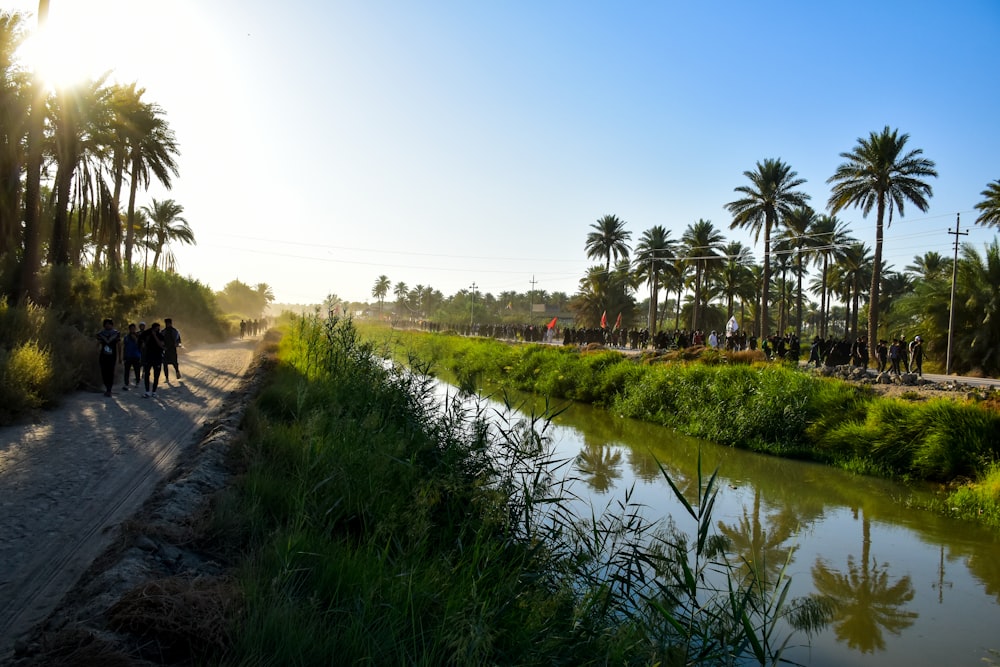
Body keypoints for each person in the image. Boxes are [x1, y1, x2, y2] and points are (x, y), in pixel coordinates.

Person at [96, 318, 120, 397]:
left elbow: (119, 345)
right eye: (106, 324)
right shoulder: (100, 334)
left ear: (111, 325)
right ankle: (107, 386)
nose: (107, 325)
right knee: (104, 372)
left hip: (112, 356)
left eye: (109, 324)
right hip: (103, 355)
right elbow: (98, 344)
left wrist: (120, 356)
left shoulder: (116, 333)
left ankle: (109, 389)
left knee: (110, 372)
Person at [142, 321, 166, 398]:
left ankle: (154, 391)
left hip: (157, 357)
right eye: (156, 328)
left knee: (156, 375)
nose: (157, 330)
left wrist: (155, 336)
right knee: (147, 374)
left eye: (158, 328)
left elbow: (161, 345)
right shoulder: (147, 335)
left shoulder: (160, 335)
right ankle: (147, 391)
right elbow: (142, 343)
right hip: (148, 357)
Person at [122, 323, 142, 390]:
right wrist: (124, 356)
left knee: (137, 370)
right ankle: (126, 383)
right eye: (131, 329)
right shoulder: (126, 337)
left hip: (136, 355)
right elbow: (124, 347)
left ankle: (137, 382)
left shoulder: (138, 336)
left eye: (133, 329)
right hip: (128, 356)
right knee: (127, 370)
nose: (132, 330)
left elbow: (141, 346)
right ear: (129, 329)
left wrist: (135, 339)